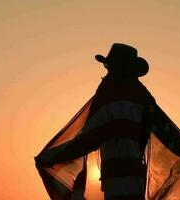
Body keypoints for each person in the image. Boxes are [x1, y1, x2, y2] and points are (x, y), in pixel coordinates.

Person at [35, 43, 154, 200]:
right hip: (136, 179)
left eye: (109, 65)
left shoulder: (109, 92)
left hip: (117, 181)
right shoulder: (143, 96)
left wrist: (54, 156)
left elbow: (92, 137)